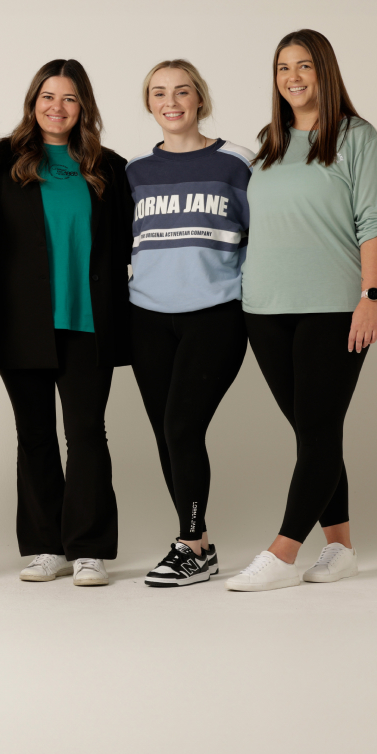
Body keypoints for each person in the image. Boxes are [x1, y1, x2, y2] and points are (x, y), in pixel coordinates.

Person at [227, 29, 377, 592]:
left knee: (319, 430)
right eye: (283, 68)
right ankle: (341, 549)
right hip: (265, 308)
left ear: (325, 71)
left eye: (305, 66)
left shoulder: (357, 137)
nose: (293, 77)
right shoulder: (269, 142)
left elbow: (375, 220)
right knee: (312, 432)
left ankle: (282, 552)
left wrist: (371, 297)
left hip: (332, 306)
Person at [0, 59, 132, 586]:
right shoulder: (1, 159)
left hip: (90, 323)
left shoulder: (109, 167)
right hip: (21, 321)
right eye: (48, 97)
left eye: (68, 98)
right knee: (35, 433)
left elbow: (128, 247)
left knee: (87, 432)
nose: (57, 107)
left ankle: (88, 548)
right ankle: (46, 545)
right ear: (33, 101)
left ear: (82, 106)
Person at [127, 60, 251, 587]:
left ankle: (193, 544)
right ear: (149, 102)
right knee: (166, 433)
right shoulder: (134, 171)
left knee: (182, 424)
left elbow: (264, 237)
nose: (170, 101)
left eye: (181, 91)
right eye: (159, 93)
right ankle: (194, 542)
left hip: (216, 314)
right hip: (148, 318)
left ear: (199, 98)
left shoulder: (237, 162)